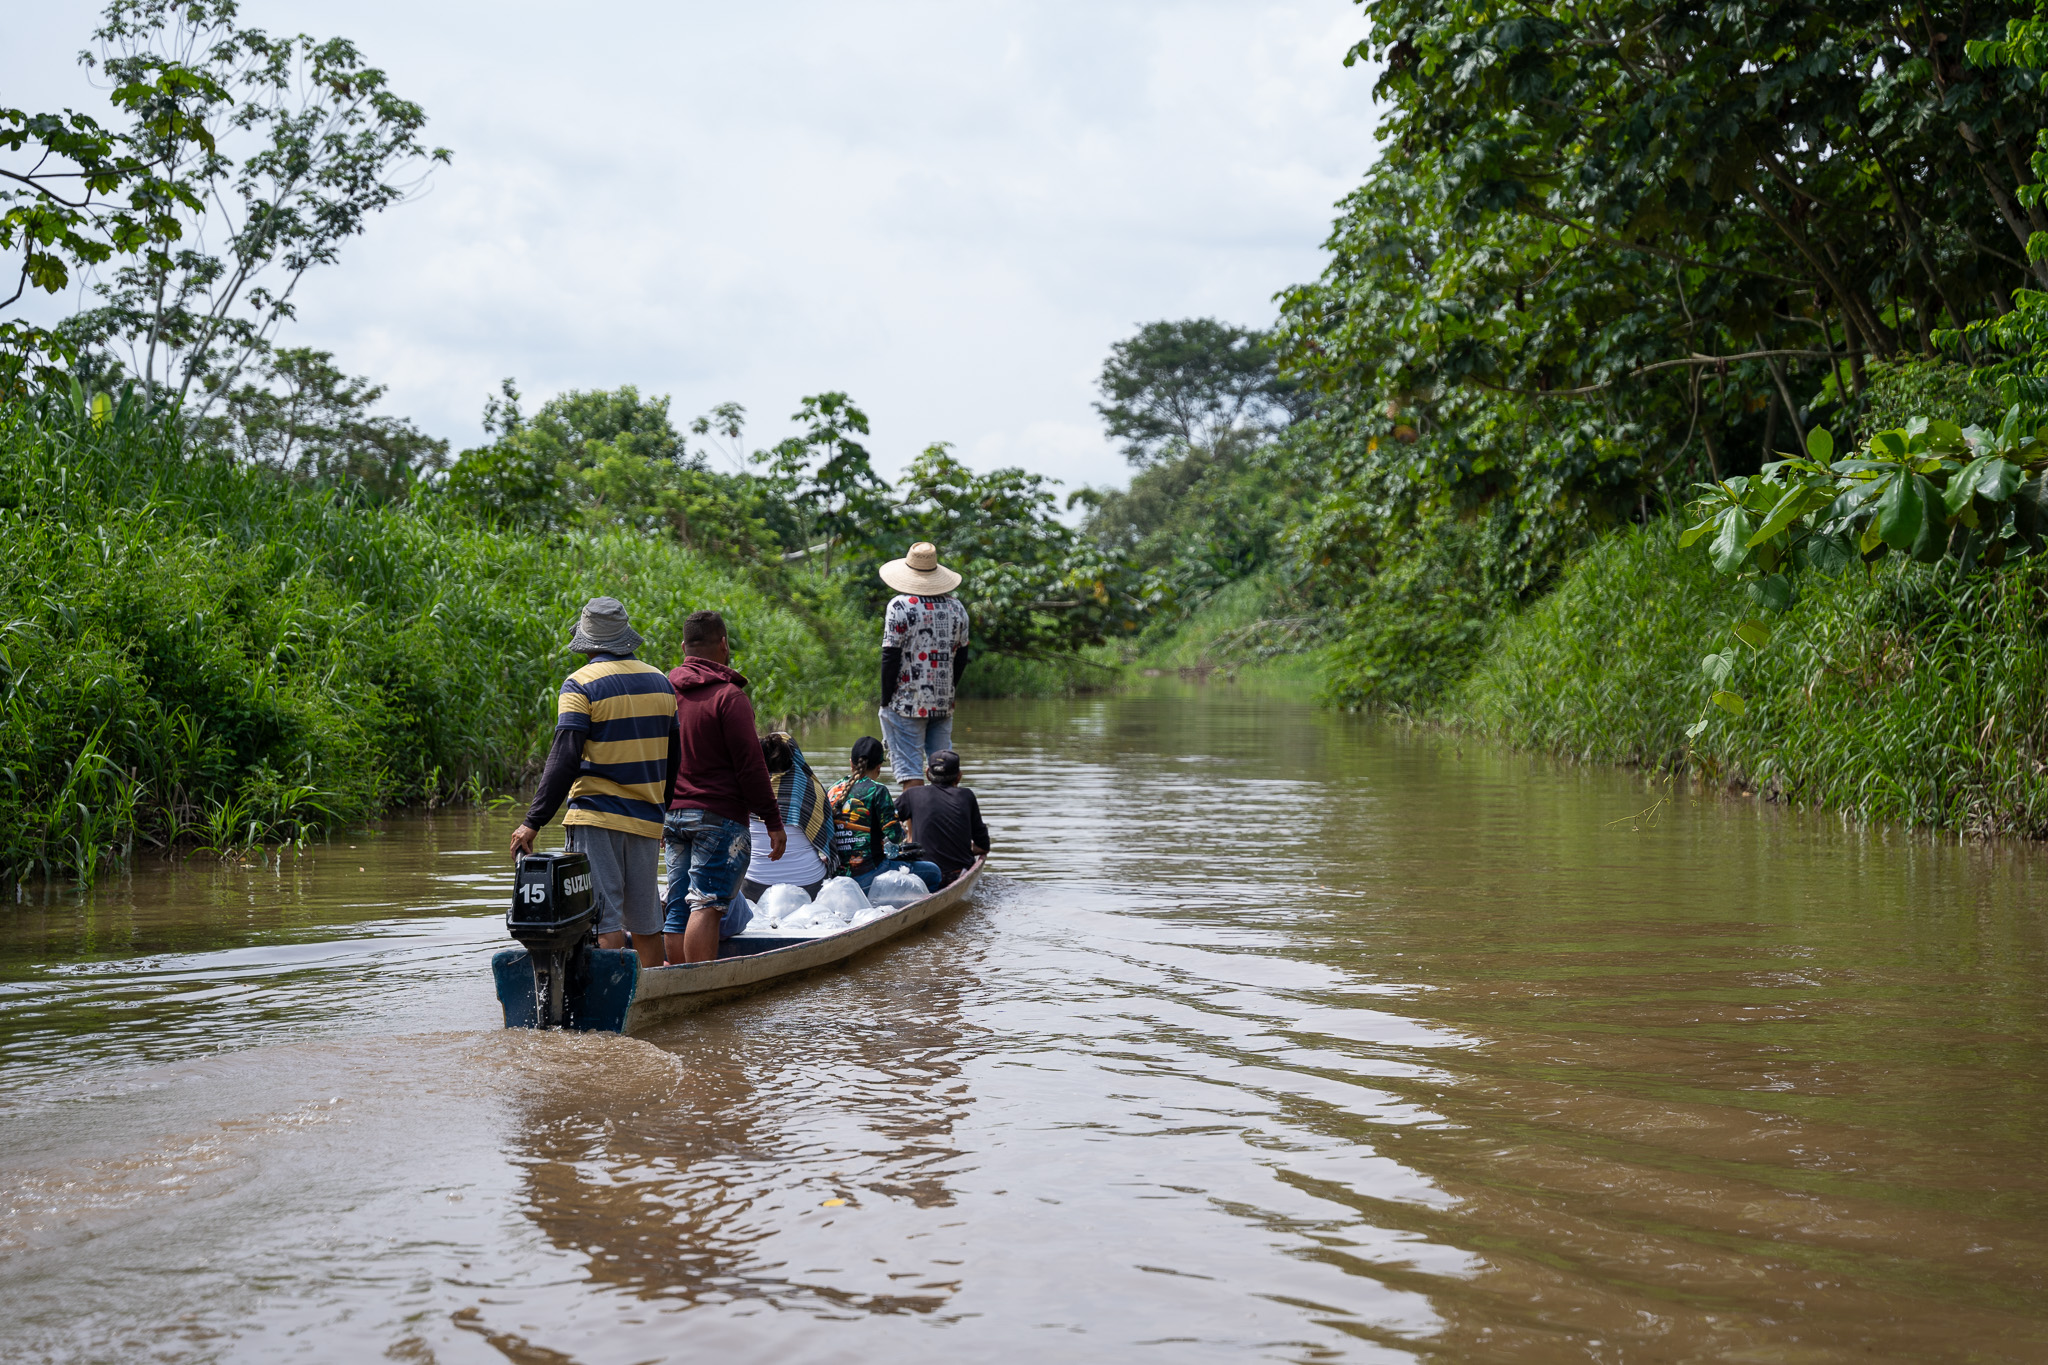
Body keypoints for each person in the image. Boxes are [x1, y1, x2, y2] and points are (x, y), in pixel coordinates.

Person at [509, 597, 679, 969]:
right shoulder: (662, 683)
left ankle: (615, 1002)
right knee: (648, 921)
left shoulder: (580, 684)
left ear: (587, 642)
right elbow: (673, 760)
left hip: (597, 817)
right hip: (648, 818)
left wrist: (532, 821)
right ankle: (653, 995)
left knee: (605, 919)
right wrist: (660, 813)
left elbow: (564, 759)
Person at [664, 610, 783, 964]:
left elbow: (655, 758)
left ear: (684, 647)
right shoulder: (729, 698)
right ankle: (698, 990)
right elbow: (751, 767)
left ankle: (674, 988)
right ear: (724, 645)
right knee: (707, 904)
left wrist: (658, 810)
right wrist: (773, 821)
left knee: (676, 907)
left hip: (671, 816)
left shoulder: (663, 693)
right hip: (718, 818)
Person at [877, 541, 971, 789]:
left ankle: (913, 829)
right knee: (944, 770)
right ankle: (945, 823)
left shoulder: (900, 606)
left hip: (906, 704)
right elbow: (962, 657)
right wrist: (949, 690)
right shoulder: (957, 608)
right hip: (942, 703)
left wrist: (886, 700)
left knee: (909, 770)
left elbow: (891, 656)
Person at [828, 736, 941, 894]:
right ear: (879, 767)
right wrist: (900, 830)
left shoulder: (833, 790)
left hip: (837, 876)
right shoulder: (878, 790)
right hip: (869, 875)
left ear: (851, 763)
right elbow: (895, 836)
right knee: (934, 872)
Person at [740, 732, 836, 903]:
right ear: (795, 756)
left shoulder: (745, 787)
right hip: (808, 884)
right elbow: (826, 838)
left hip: (752, 886)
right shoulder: (811, 789)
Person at [896, 749, 989, 886]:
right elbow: (983, 847)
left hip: (923, 875)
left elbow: (884, 820)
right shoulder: (966, 796)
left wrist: (904, 834)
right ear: (959, 776)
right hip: (956, 874)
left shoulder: (912, 794)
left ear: (927, 774)